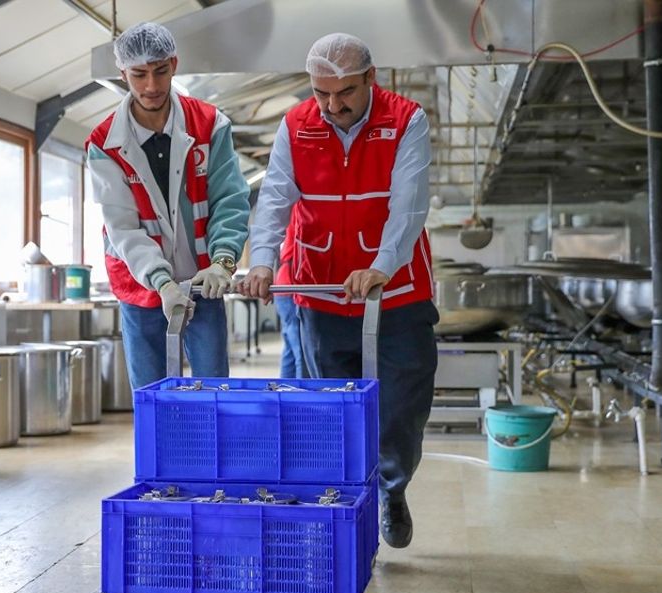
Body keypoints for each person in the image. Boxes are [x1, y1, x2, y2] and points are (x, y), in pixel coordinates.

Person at [236, 33, 437, 549]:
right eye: (321, 93)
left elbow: (409, 205)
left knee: (400, 407)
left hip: (398, 292)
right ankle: (340, 508)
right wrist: (261, 262)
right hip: (320, 289)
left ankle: (393, 488)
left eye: (344, 91)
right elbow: (276, 199)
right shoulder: (296, 124)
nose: (332, 105)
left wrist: (382, 265)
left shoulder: (405, 120)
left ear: (371, 78)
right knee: (330, 409)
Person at [87, 22, 250, 391]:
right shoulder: (103, 143)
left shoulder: (209, 124)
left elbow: (230, 199)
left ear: (174, 64)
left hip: (202, 279)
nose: (151, 86)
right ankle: (161, 451)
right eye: (138, 75)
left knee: (211, 389)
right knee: (152, 393)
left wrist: (223, 262)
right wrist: (161, 282)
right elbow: (122, 225)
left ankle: (209, 451)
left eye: (160, 71)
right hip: (141, 285)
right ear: (122, 73)